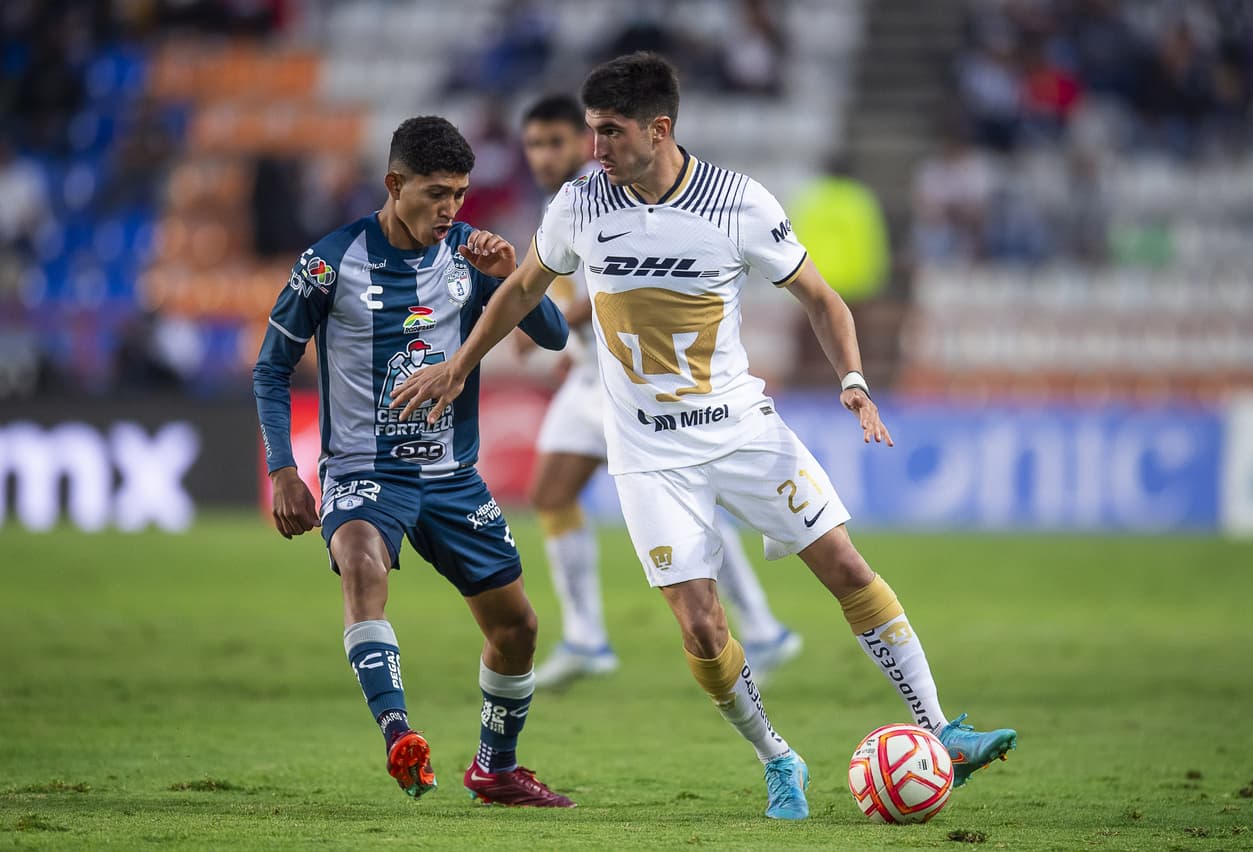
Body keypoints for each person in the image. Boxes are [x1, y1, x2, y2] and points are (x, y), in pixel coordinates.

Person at [390, 55, 1017, 820]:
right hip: (648, 455)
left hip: (741, 429)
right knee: (700, 624)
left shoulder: (737, 203)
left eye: (611, 132)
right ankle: (777, 757)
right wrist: (460, 365)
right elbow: (523, 290)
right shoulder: (579, 205)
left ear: (659, 129)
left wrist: (853, 380)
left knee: (847, 566)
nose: (595, 148)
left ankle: (941, 729)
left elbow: (822, 298)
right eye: (591, 131)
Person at [252, 116, 575, 808]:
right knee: (362, 563)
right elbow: (271, 368)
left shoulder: (469, 255)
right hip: (364, 472)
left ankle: (495, 768)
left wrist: (510, 273)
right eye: (436, 194)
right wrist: (282, 470)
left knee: (517, 628)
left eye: (459, 193)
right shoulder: (329, 263)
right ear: (394, 185)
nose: (450, 209)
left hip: (452, 478)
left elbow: (551, 337)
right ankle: (400, 733)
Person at [518, 93, 802, 688]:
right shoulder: (568, 201)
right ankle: (587, 637)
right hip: (594, 376)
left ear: (584, 141)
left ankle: (763, 629)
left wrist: (545, 321)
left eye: (554, 142)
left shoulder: (608, 192)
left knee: (692, 508)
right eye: (533, 145)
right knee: (551, 492)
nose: (542, 155)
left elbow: (609, 290)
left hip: (640, 383)